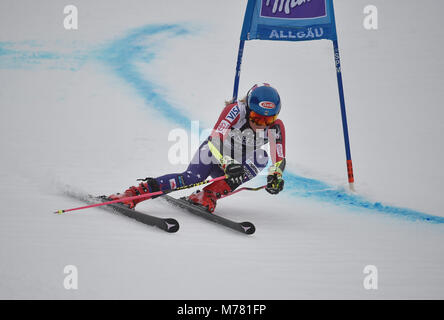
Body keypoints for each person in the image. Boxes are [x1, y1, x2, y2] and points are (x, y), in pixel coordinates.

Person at [108, 83, 286, 213]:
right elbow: (214, 138)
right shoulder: (236, 111)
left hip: (234, 168)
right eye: (257, 117)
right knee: (191, 178)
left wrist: (276, 177)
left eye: (268, 120)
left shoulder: (276, 127)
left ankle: (207, 195)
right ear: (248, 108)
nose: (262, 124)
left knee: (261, 157)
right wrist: (228, 162)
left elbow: (279, 159)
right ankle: (134, 194)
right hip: (214, 153)